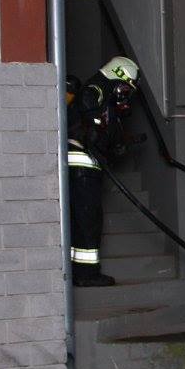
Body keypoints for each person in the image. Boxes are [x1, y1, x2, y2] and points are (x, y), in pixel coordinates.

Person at [66, 56, 138, 287]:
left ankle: (82, 272)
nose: (125, 95)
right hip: (81, 168)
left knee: (89, 220)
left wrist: (118, 143)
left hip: (88, 170)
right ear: (117, 77)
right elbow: (91, 126)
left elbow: (105, 134)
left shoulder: (104, 99)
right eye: (125, 88)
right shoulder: (93, 91)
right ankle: (86, 275)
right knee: (87, 220)